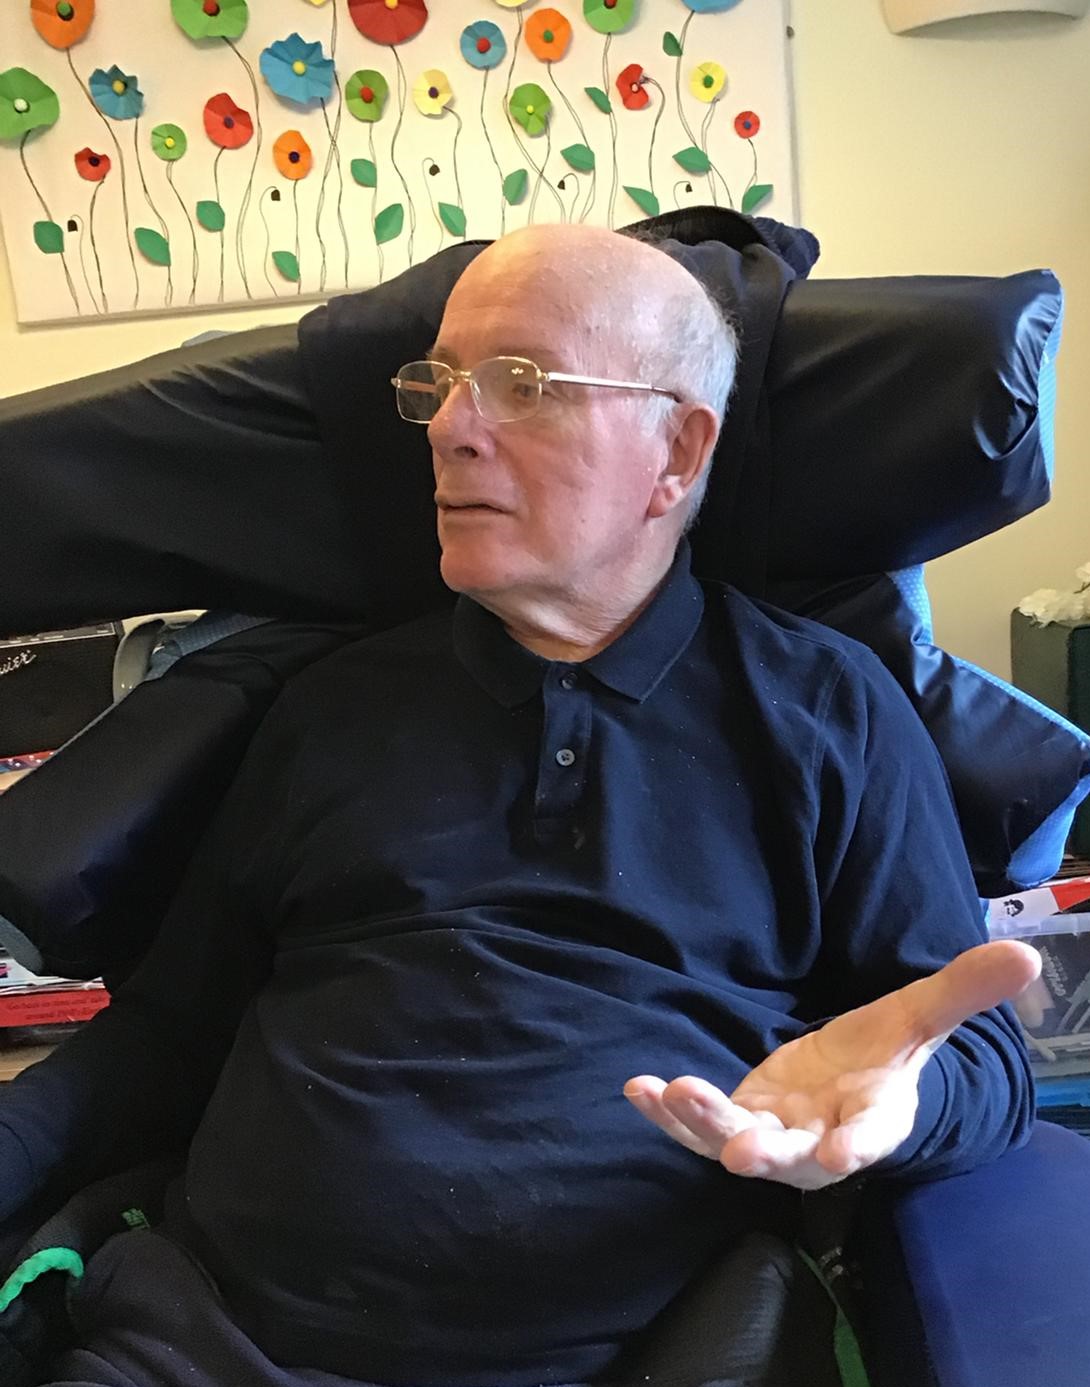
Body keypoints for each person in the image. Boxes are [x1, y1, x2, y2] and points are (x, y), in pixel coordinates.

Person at [0, 224, 1039, 1387]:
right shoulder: (327, 706)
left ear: (677, 450)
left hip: (634, 1359)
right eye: (439, 382)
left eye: (524, 384)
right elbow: (169, 1035)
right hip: (207, 1346)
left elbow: (977, 1058)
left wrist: (898, 1105)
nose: (449, 427)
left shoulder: (824, 710)